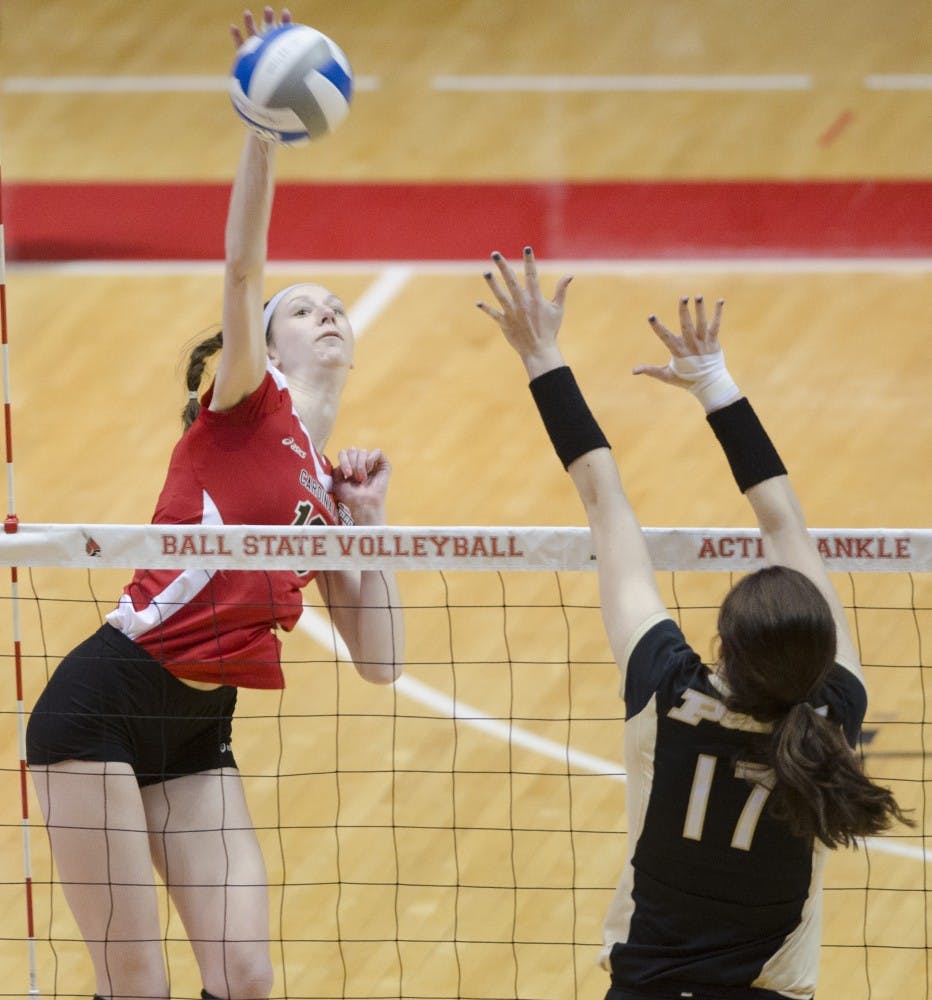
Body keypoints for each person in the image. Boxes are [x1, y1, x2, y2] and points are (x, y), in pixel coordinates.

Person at [25, 9, 404, 1000]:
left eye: (335, 307)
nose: (327, 313)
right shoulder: (245, 401)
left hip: (201, 727)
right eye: (303, 307)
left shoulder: (327, 490)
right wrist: (261, 129)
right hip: (101, 706)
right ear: (268, 344)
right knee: (136, 984)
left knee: (242, 975)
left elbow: (382, 662)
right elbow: (241, 268)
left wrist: (365, 527)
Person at [477, 247, 911, 1000]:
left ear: (722, 648)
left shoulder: (667, 696)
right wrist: (715, 383)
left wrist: (541, 353)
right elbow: (787, 524)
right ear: (822, 651)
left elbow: (602, 500)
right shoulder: (835, 712)